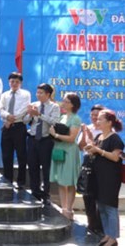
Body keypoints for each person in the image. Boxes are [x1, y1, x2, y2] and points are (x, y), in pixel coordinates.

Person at [83, 109, 123, 246]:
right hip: (97, 177)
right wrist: (90, 145)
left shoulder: (115, 138)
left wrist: (98, 150)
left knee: (110, 207)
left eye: (100, 119)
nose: (97, 121)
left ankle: (113, 237)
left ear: (109, 122)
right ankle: (107, 234)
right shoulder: (99, 136)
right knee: (101, 207)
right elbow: (94, 153)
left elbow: (115, 157)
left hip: (110, 178)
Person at [23, 83, 60, 204]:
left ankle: (46, 193)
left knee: (46, 168)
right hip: (33, 139)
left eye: (41, 93)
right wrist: (29, 114)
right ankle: (35, 191)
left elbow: (54, 122)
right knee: (33, 166)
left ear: (48, 94)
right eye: (37, 92)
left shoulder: (54, 107)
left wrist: (40, 115)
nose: (38, 95)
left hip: (46, 140)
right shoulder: (34, 105)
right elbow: (25, 121)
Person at [48, 92, 82, 220]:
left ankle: (69, 209)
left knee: (70, 181)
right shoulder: (61, 117)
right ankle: (63, 208)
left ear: (73, 104)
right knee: (61, 181)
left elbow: (72, 138)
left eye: (66, 101)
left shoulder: (75, 119)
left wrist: (55, 135)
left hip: (69, 151)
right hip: (58, 149)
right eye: (63, 101)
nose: (63, 103)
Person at [0, 72, 31, 189]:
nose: (14, 84)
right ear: (9, 82)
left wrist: (11, 120)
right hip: (6, 127)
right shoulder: (5, 95)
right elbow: (0, 108)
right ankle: (8, 180)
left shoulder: (25, 94)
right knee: (6, 155)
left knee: (21, 155)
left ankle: (21, 182)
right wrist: (7, 116)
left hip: (19, 126)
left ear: (20, 83)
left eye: (17, 82)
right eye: (12, 81)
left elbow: (24, 110)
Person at [78, 104, 105, 235]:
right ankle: (91, 224)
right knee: (87, 195)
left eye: (97, 115)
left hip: (102, 164)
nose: (94, 118)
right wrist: (84, 134)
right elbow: (80, 147)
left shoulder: (107, 131)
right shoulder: (87, 128)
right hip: (88, 163)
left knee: (100, 195)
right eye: (92, 115)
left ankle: (100, 225)